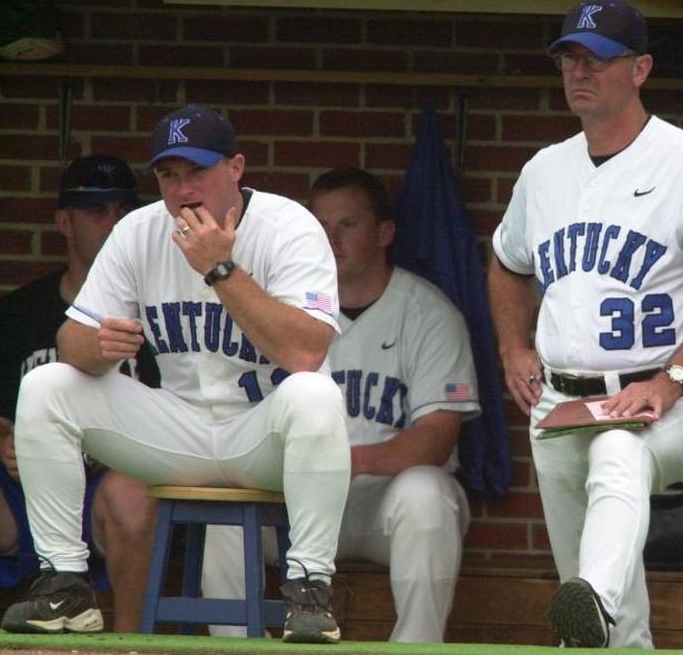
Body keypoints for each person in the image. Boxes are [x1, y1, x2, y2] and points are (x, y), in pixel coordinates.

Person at [0, 104, 351, 644]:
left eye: (198, 172)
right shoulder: (138, 231)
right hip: (176, 429)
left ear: (235, 168)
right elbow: (71, 341)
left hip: (264, 433)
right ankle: (64, 584)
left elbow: (306, 352)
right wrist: (96, 347)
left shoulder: (289, 227)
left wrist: (220, 269)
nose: (184, 188)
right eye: (169, 175)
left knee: (315, 393)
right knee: (46, 384)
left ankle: (308, 589)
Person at [487, 0, 683, 648]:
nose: (580, 72)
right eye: (569, 59)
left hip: (668, 395)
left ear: (640, 69)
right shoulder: (544, 170)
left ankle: (597, 600)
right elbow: (507, 263)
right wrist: (513, 346)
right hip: (561, 398)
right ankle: (608, 617)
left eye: (598, 60)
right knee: (596, 593)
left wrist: (671, 379)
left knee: (618, 455)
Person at [203, 167, 480, 643]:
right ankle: (236, 648)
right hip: (290, 499)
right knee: (222, 515)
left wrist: (352, 461)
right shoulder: (275, 308)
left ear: (384, 233)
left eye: (347, 225)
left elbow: (437, 437)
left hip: (380, 500)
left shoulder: (428, 312)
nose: (330, 238)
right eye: (320, 225)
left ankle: (415, 649)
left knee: (429, 495)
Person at [0, 155, 158, 632]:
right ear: (64, 222)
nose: (113, 224)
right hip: (21, 494)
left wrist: (112, 446)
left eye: (123, 211)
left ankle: (132, 639)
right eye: (97, 212)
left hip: (108, 490)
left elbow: (176, 420)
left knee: (134, 494)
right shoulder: (20, 313)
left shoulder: (157, 311)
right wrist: (1, 443)